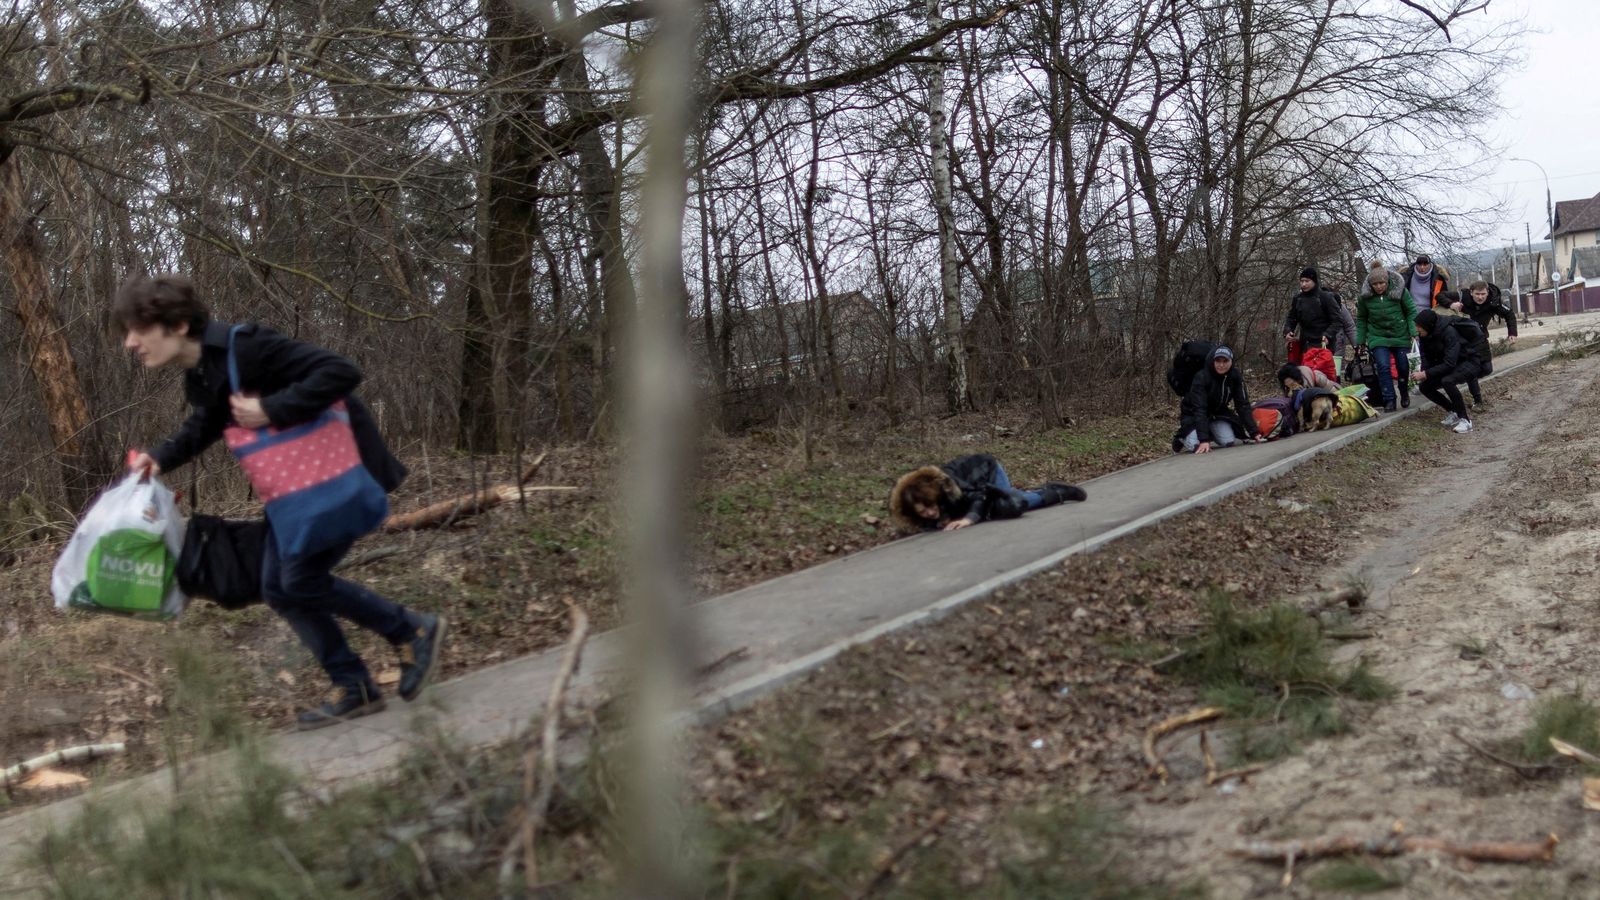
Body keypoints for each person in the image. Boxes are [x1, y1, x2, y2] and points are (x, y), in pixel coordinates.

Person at [117, 273, 446, 730]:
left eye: (138, 329)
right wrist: (160, 458)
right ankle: (355, 684)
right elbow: (208, 422)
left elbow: (341, 371)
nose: (130, 342)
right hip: (296, 491)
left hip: (340, 475)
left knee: (297, 580)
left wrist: (273, 409)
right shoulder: (203, 372)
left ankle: (409, 630)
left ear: (177, 325)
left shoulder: (247, 346)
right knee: (278, 585)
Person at [888, 455, 1085, 532]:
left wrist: (969, 519)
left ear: (934, 497)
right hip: (976, 490)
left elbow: (979, 495)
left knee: (1010, 505)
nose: (929, 513)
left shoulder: (948, 484)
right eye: (923, 513)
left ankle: (1056, 492)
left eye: (930, 507)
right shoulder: (917, 508)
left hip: (988, 472)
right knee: (996, 507)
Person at [1172, 346, 1265, 454]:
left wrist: (1254, 432)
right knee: (1196, 445)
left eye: (1225, 361)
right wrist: (1203, 440)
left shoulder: (1235, 376)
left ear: (1231, 361)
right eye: (1218, 361)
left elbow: (1242, 404)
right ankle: (1182, 438)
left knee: (1228, 441)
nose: (1221, 365)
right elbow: (1199, 409)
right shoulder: (1201, 377)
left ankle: (1209, 431)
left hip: (1217, 414)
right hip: (1193, 415)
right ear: (1213, 360)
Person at [1355, 269, 1416, 412]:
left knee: (1403, 367)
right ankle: (1389, 399)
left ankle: (1403, 390)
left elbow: (1411, 311)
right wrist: (1361, 340)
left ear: (1387, 281)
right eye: (1375, 284)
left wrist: (1413, 331)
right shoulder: (1365, 297)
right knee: (1383, 367)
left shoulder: (1400, 292)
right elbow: (1362, 318)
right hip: (1378, 336)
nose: (1378, 286)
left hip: (1400, 334)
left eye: (1381, 283)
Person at [1410, 309, 1477, 434]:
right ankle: (1454, 412)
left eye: (1419, 326)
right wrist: (1425, 373)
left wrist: (1426, 373)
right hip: (1445, 364)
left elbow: (1450, 363)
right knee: (1425, 387)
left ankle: (1465, 421)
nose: (1416, 329)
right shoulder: (1425, 335)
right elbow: (1425, 356)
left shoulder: (1449, 332)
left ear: (1428, 325)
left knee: (1447, 381)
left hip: (1465, 362)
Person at [1283, 268, 1353, 380]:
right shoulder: (1298, 299)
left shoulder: (1326, 297)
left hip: (1324, 344)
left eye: (1307, 281)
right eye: (1301, 281)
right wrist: (1287, 331)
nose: (1304, 284)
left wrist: (1328, 334)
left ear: (1314, 281)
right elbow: (1291, 318)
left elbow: (1337, 320)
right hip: (1305, 343)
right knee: (1307, 376)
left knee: (1326, 376)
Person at [1452, 280, 1518, 345]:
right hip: (1460, 339)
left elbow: (1509, 314)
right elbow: (1442, 295)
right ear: (1471, 292)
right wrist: (1450, 304)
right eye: (1477, 294)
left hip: (1481, 338)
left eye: (1483, 294)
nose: (1480, 297)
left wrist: (1512, 333)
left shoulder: (1494, 302)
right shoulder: (1462, 297)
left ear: (1488, 292)